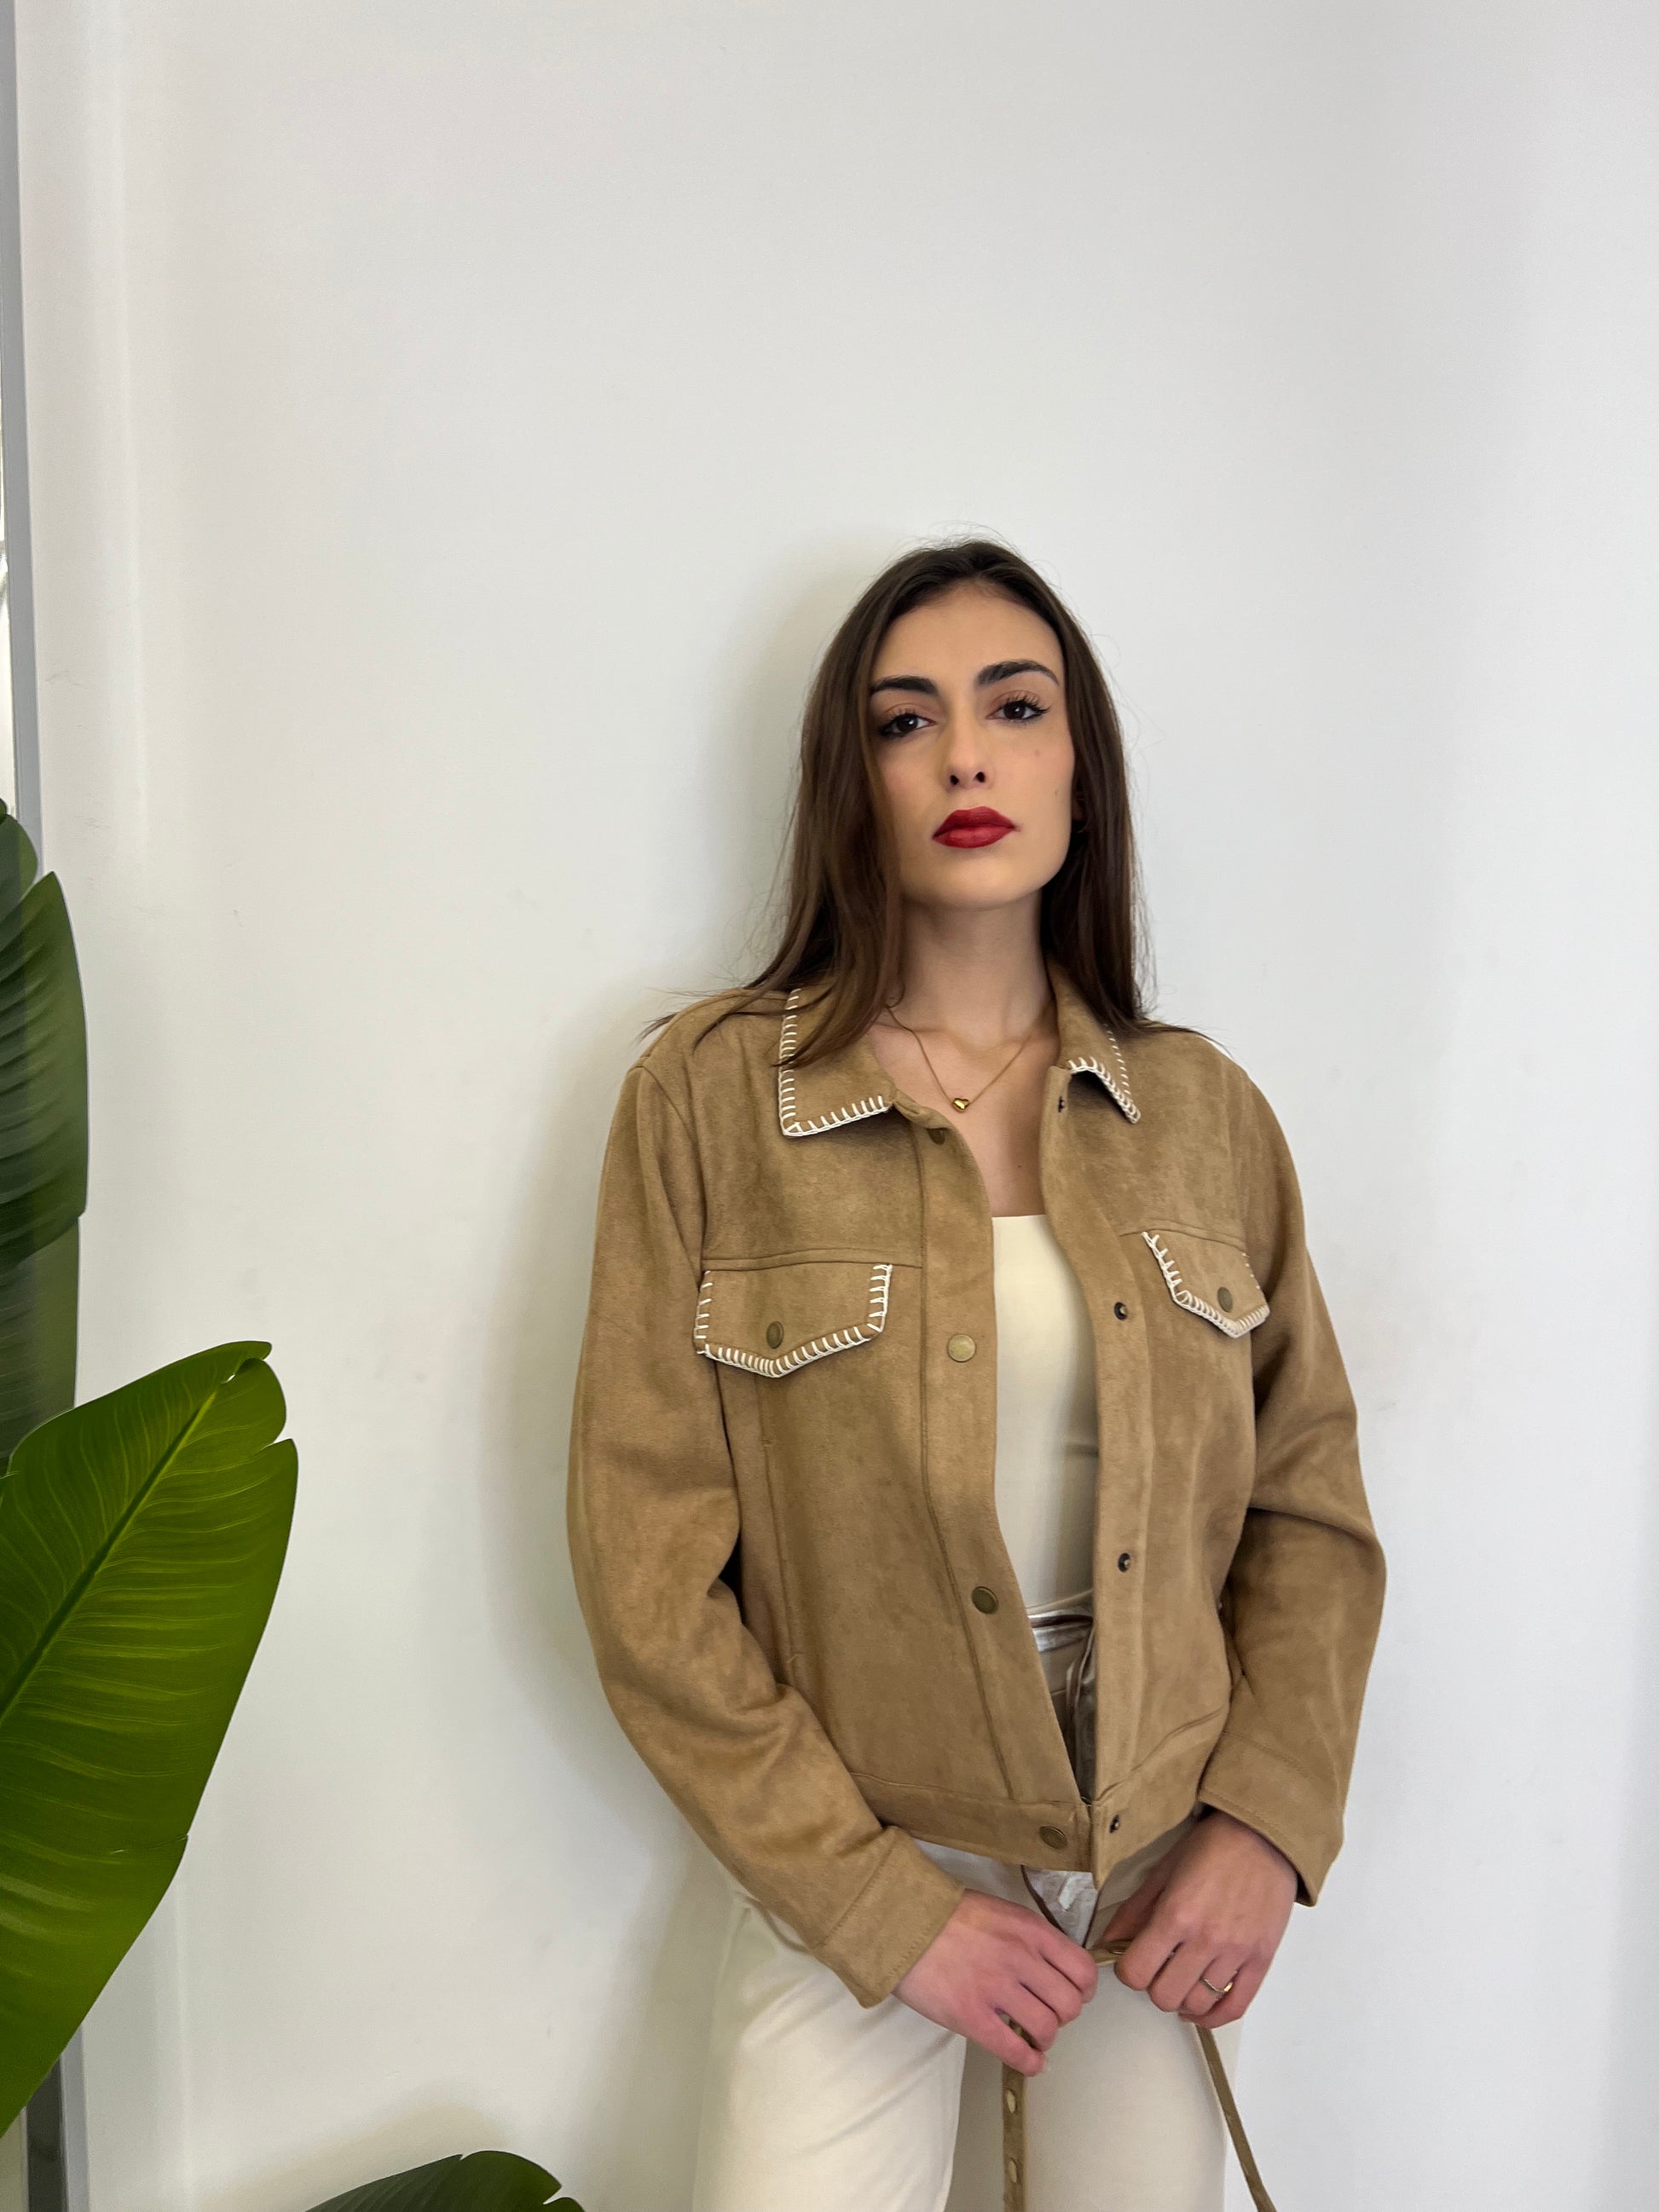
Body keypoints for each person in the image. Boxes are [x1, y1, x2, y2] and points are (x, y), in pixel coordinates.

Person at [565, 539, 1386, 2211]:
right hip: (857, 1850)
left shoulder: (1202, 1117)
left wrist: (1261, 1823)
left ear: (1080, 762)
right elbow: (644, 1573)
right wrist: (883, 1907)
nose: (963, 757)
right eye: (903, 719)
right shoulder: (711, 1102)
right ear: (847, 776)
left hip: (1155, 1861)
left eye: (1015, 708)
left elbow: (1308, 1511)